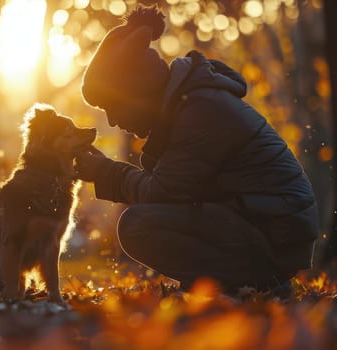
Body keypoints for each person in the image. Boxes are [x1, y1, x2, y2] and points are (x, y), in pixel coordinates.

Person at [73, 6, 318, 293]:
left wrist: (107, 173)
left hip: (275, 232)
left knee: (137, 225)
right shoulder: (187, 106)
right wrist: (108, 172)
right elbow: (175, 192)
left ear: (138, 92)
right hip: (265, 222)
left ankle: (254, 281)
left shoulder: (201, 110)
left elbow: (163, 192)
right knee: (142, 220)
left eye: (113, 106)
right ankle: (231, 282)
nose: (113, 120)